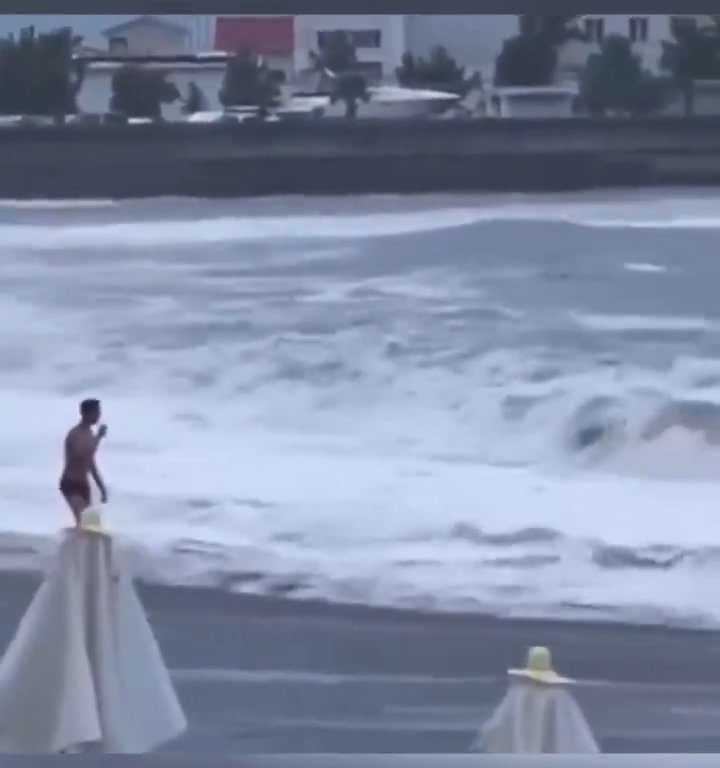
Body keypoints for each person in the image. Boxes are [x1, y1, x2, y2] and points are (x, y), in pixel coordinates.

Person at [59, 398, 108, 524]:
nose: (99, 415)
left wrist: (102, 487)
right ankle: (72, 542)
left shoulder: (89, 434)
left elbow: (91, 463)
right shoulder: (75, 434)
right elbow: (80, 455)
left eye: (99, 411)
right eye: (96, 411)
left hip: (83, 485)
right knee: (82, 519)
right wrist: (99, 437)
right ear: (86, 413)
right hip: (70, 484)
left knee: (90, 523)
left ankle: (78, 542)